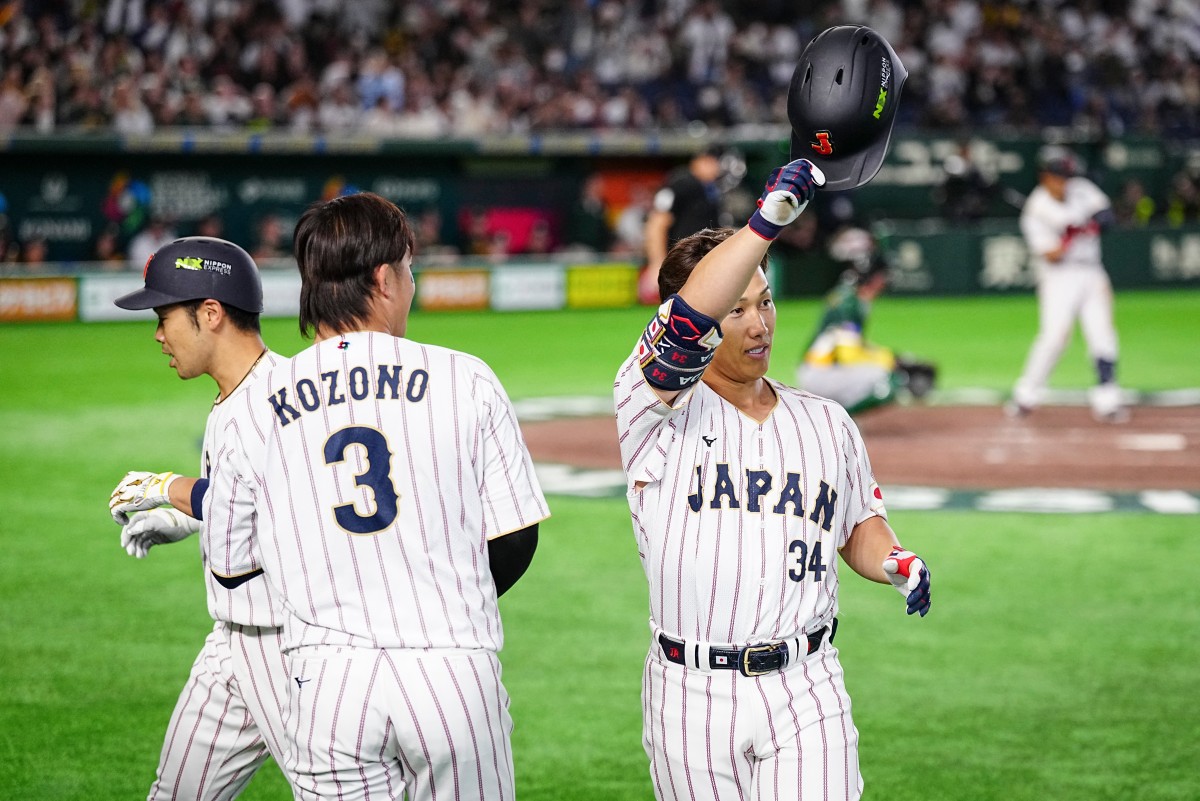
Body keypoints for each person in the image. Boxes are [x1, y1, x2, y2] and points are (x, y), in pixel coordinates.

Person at [201, 191, 549, 799]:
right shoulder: (465, 377)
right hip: (450, 668)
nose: (411, 285)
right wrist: (441, 591)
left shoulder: (254, 407)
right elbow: (516, 537)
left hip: (326, 681)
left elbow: (230, 565)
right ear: (385, 279)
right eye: (410, 270)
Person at [613, 157, 931, 801]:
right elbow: (683, 325)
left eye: (766, 301)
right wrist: (765, 222)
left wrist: (893, 559)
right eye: (735, 310)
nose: (760, 324)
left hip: (806, 684)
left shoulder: (827, 421)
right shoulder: (649, 408)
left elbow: (857, 524)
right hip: (689, 695)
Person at [105, 236, 293, 799]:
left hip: (287, 649)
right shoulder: (238, 396)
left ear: (210, 313)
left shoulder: (284, 401)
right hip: (230, 644)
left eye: (163, 317)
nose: (158, 335)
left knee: (332, 791)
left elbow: (290, 506)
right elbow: (252, 498)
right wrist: (188, 519)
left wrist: (166, 487)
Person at [1008, 145, 1127, 422]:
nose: (1064, 181)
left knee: (1102, 335)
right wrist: (1068, 237)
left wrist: (1089, 224)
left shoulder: (1081, 189)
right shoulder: (1036, 210)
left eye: (1066, 175)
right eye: (1058, 175)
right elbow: (1050, 255)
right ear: (1045, 176)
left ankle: (1108, 398)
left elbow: (1107, 216)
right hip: (1059, 277)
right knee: (1055, 337)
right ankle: (1026, 394)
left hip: (1092, 271)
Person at [796, 226, 937, 414]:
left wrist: (894, 358)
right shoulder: (849, 304)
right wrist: (892, 362)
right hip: (822, 374)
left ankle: (834, 415)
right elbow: (849, 355)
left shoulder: (849, 297)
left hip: (822, 370)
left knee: (883, 372)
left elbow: (854, 347)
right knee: (888, 379)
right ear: (875, 277)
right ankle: (840, 420)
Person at [641, 146, 724, 303]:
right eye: (712, 162)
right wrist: (656, 263)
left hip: (701, 261)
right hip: (682, 262)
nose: (717, 169)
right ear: (700, 161)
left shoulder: (708, 189)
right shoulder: (681, 183)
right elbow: (657, 223)